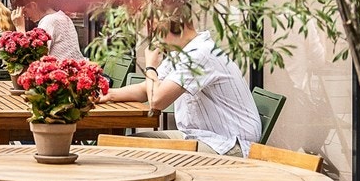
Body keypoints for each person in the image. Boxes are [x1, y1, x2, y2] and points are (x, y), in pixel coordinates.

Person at [110, 12, 261, 155]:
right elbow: (146, 89)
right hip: (199, 137)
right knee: (122, 145)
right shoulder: (180, 53)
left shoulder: (200, 54)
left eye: (157, 32)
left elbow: (156, 101)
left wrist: (150, 67)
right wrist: (108, 95)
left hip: (229, 144)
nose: (155, 40)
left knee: (134, 152)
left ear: (178, 28)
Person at [15, 0, 82, 59]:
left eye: (25, 12)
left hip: (60, 66)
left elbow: (33, 57)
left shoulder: (49, 21)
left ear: (33, 5)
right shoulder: (62, 16)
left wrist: (19, 27)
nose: (25, 16)